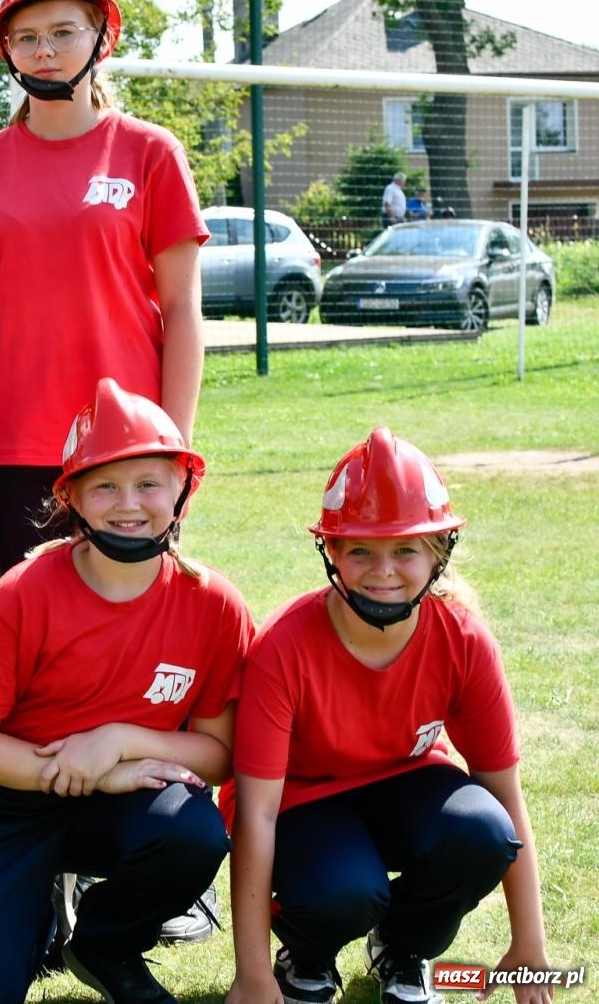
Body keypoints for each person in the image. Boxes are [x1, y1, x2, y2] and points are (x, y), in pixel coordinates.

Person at [0, 378, 252, 1004]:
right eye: (104, 484)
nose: (129, 503)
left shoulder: (213, 604)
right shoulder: (22, 595)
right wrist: (87, 772)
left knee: (193, 833)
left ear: (184, 487)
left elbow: (219, 754)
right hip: (12, 797)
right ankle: (37, 904)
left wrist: (117, 742)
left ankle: (104, 942)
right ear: (71, 495)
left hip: (130, 802)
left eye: (149, 482)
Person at [226, 428, 551, 1004]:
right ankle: (306, 951)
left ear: (439, 551)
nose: (384, 570)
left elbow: (504, 793)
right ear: (329, 552)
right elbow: (258, 814)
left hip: (406, 783)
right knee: (343, 888)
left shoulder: (464, 639)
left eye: (405, 548)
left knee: (482, 832)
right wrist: (249, 974)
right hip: (304, 801)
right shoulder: (283, 645)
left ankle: (402, 948)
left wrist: (530, 944)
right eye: (360, 550)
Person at [0, 0, 206, 578]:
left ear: (101, 38)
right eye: (26, 37)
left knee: (131, 632)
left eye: (63, 31)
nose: (45, 50)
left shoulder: (151, 153)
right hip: (11, 443)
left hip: (127, 442)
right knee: (34, 640)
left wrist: (174, 450)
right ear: (6, 51)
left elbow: (182, 312)